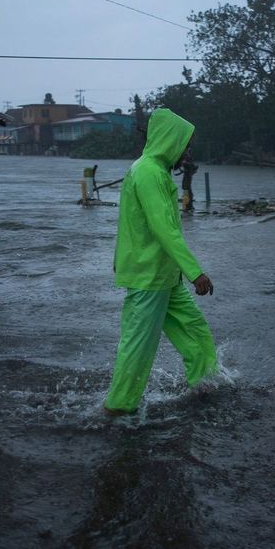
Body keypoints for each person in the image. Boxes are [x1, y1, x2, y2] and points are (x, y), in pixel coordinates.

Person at [104, 108, 217, 415]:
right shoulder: (149, 172)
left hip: (164, 275)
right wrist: (195, 272)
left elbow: (129, 221)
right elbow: (163, 229)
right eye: (185, 143)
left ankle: (206, 382)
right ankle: (117, 408)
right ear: (170, 140)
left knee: (194, 328)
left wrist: (119, 257)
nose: (187, 151)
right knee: (138, 348)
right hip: (150, 277)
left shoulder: (153, 170)